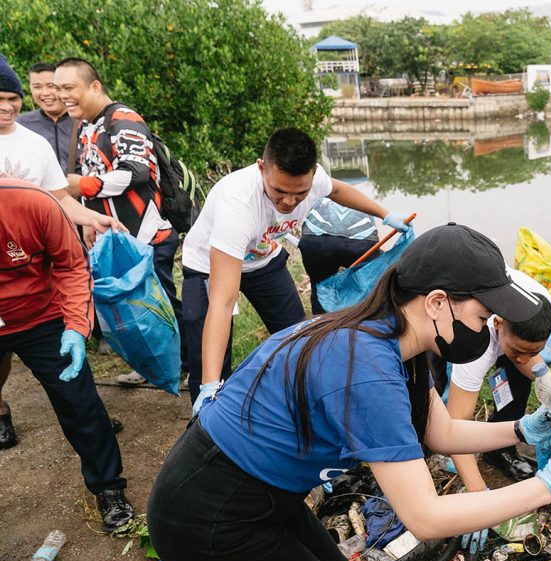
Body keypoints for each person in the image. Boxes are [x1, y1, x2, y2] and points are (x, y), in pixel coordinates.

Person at [147, 223, 551, 561]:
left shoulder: (399, 342)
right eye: (483, 316)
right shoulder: (366, 368)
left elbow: (438, 432)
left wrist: (522, 429)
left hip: (266, 493)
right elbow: (426, 517)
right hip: (209, 511)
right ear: (438, 302)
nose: (486, 330)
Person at [181, 127, 413, 407]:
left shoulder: (315, 180)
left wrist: (386, 215)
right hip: (208, 263)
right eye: (279, 191)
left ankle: (303, 404)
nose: (289, 202)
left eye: (299, 194)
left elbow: (338, 189)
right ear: (261, 168)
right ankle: (205, 417)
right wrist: (210, 384)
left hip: (262, 259)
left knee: (298, 338)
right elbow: (222, 300)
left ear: (313, 175)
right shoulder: (238, 205)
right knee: (208, 364)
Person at [0, 54, 124, 450]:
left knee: (72, 388)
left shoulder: (33, 144)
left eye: (12, 98)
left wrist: (92, 220)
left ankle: (105, 476)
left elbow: (57, 202)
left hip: (35, 280)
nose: (7, 106)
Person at [0, 179, 134, 531]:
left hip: (41, 316)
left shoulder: (35, 203)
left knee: (79, 402)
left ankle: (108, 487)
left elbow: (72, 266)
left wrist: (75, 327)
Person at [54, 56, 185, 386]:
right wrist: (87, 219)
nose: (62, 96)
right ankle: (151, 365)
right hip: (116, 236)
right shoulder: (86, 124)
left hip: (148, 232)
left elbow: (138, 171)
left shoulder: (123, 119)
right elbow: (92, 174)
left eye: (69, 88)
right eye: (58, 89)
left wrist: (79, 186)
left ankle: (194, 365)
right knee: (134, 309)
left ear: (94, 86)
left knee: (162, 305)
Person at [434, 268, 551, 484]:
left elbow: (530, 361)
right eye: (518, 350)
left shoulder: (542, 305)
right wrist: (477, 488)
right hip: (440, 318)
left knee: (518, 377)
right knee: (432, 385)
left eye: (534, 352)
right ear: (498, 323)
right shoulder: (474, 341)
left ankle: (498, 450)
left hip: (496, 324)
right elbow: (456, 422)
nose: (525, 361)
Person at [297, 198, 380, 315]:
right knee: (363, 286)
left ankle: (321, 324)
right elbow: (375, 235)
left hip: (317, 241)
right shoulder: (360, 199)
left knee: (320, 286)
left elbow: (303, 227)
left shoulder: (318, 197)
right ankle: (359, 322)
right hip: (360, 242)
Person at [16, 61, 73, 163]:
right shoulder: (21, 124)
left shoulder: (83, 120)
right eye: (37, 87)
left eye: (51, 86)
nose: (45, 93)